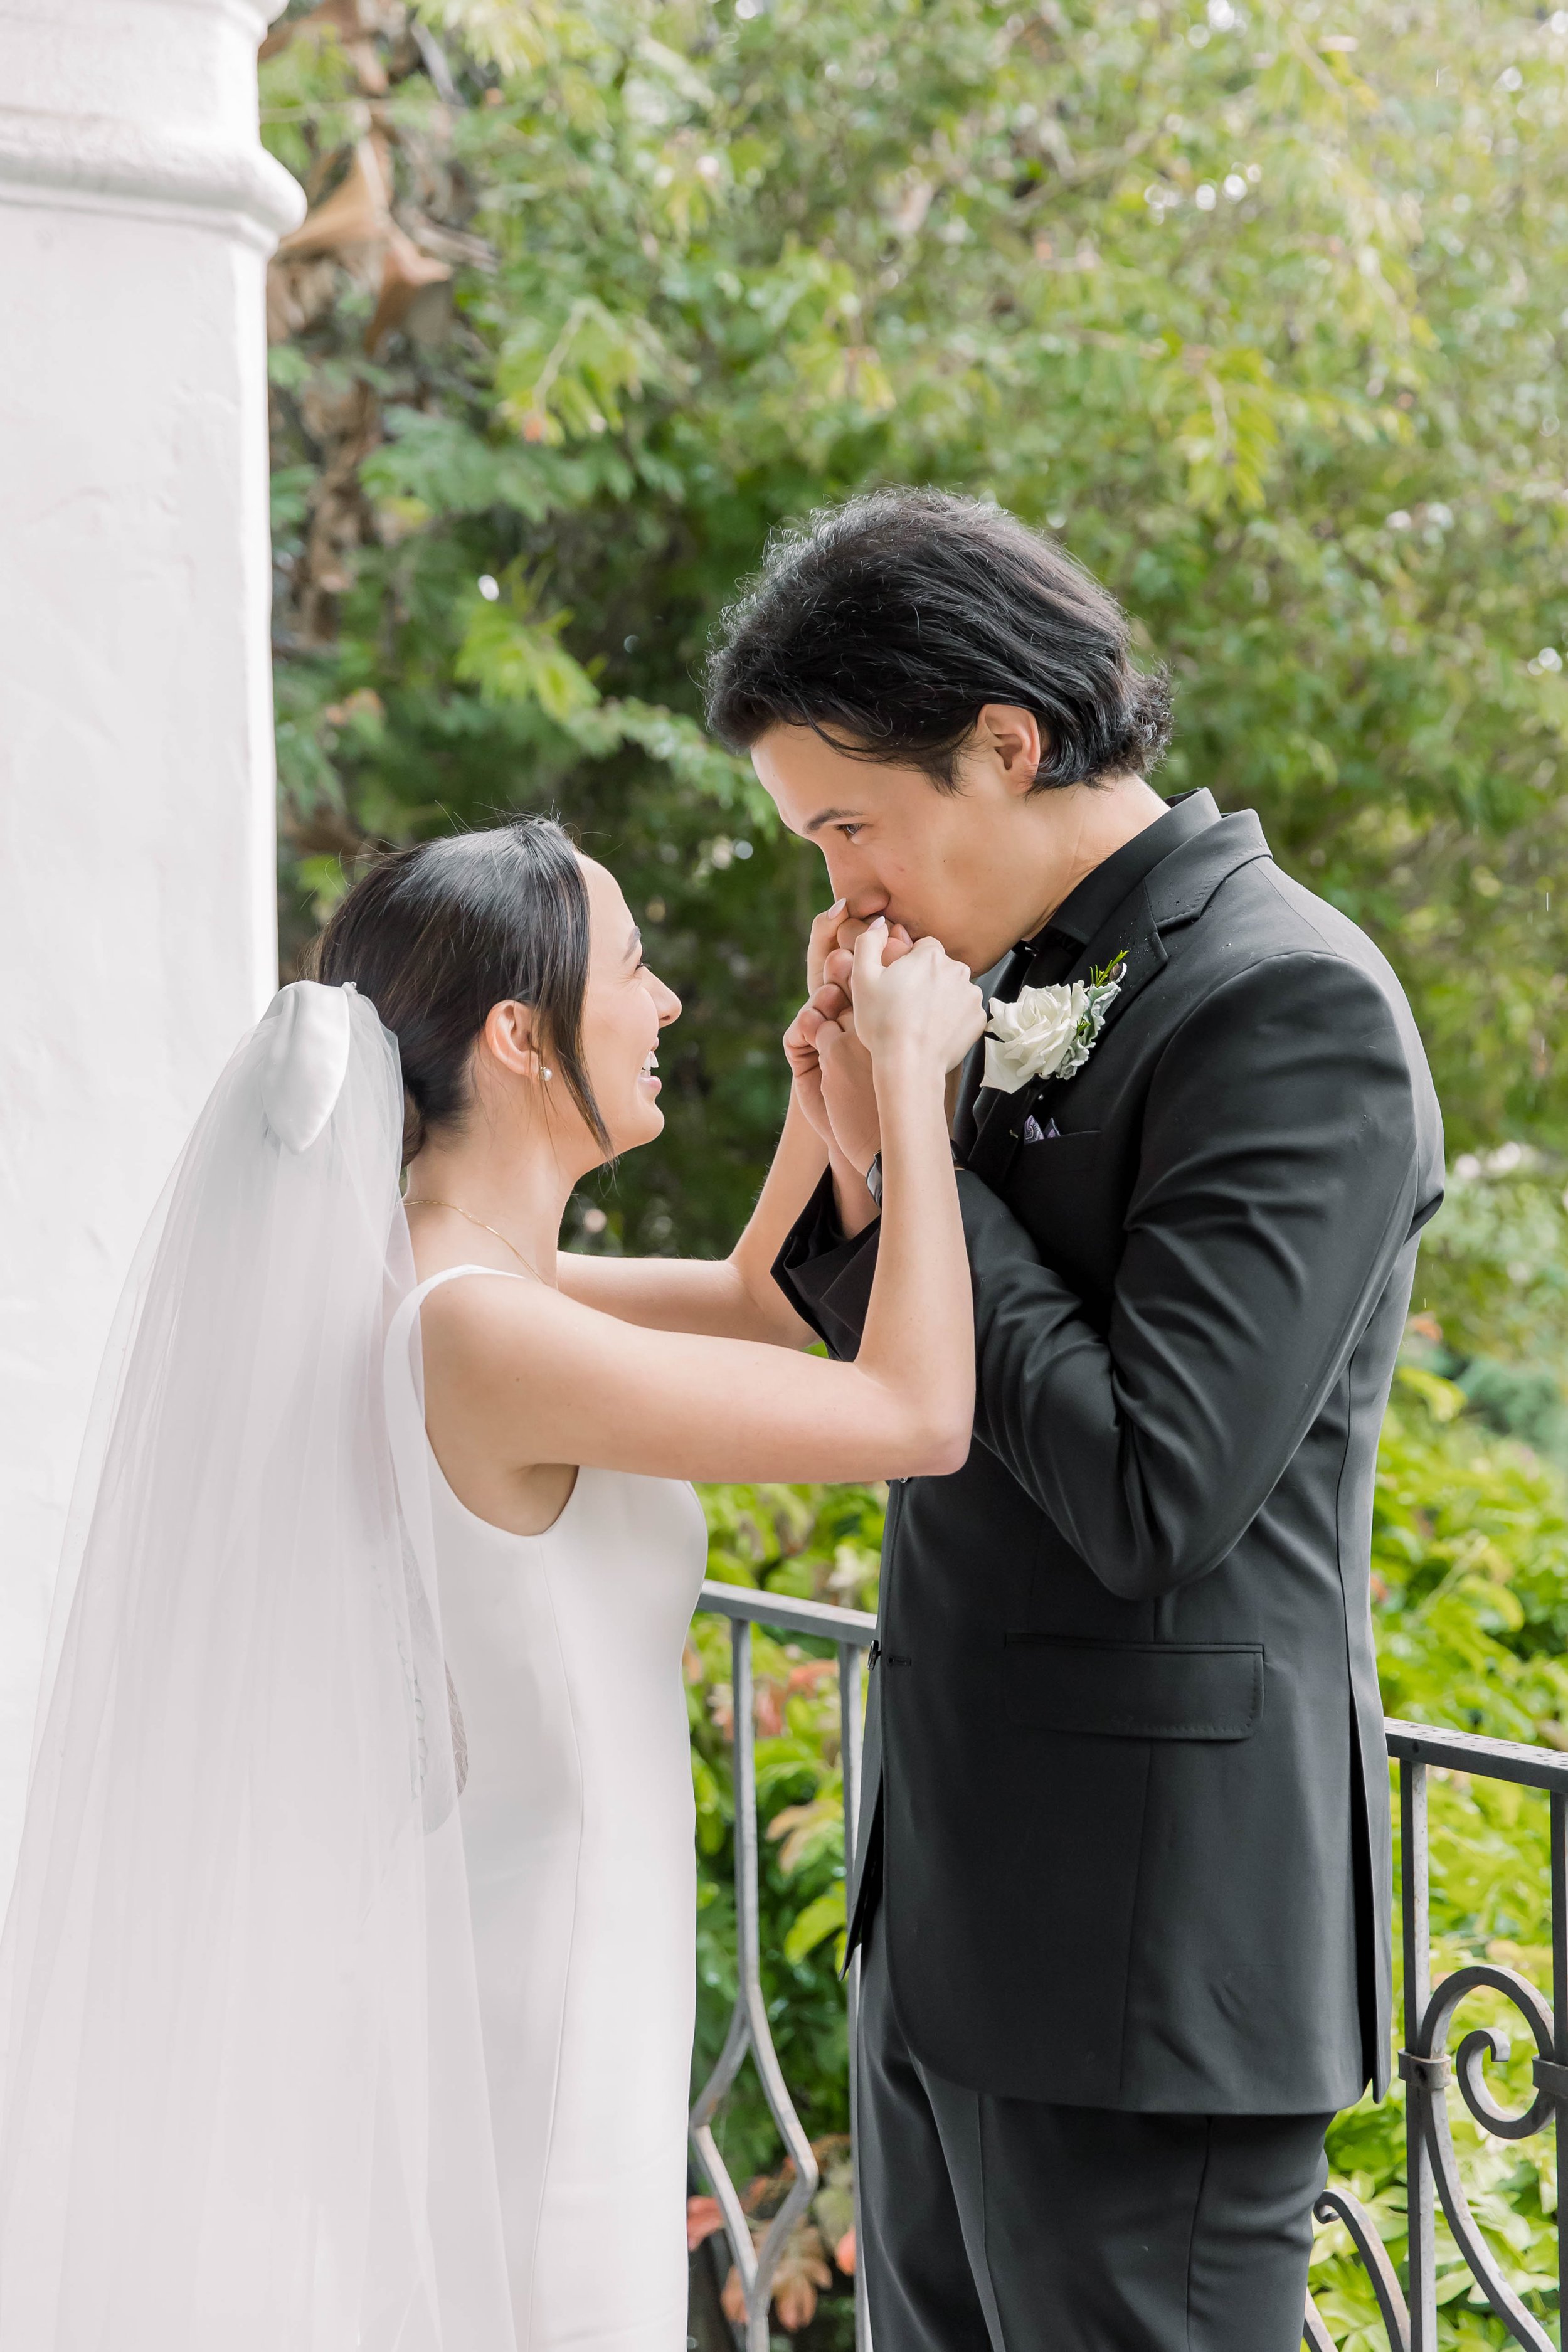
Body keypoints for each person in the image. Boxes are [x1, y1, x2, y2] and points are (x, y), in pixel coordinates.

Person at [0, 816, 983, 2352]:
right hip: (551, 1994)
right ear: (522, 1035)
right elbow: (912, 1414)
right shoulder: (477, 1331)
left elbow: (756, 1307)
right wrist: (917, 1091)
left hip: (537, 1945)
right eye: (634, 967)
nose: (664, 1007)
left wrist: (831, 1093)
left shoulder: (450, 1276)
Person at [704, 487, 1445, 2352]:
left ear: (1004, 744)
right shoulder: (993, 990)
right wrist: (875, 1138)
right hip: (952, 1914)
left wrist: (924, 1151)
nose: (842, 890)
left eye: (849, 826)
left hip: (1149, 1960)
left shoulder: (1288, 1002)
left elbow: (1146, 1488)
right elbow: (844, 1326)